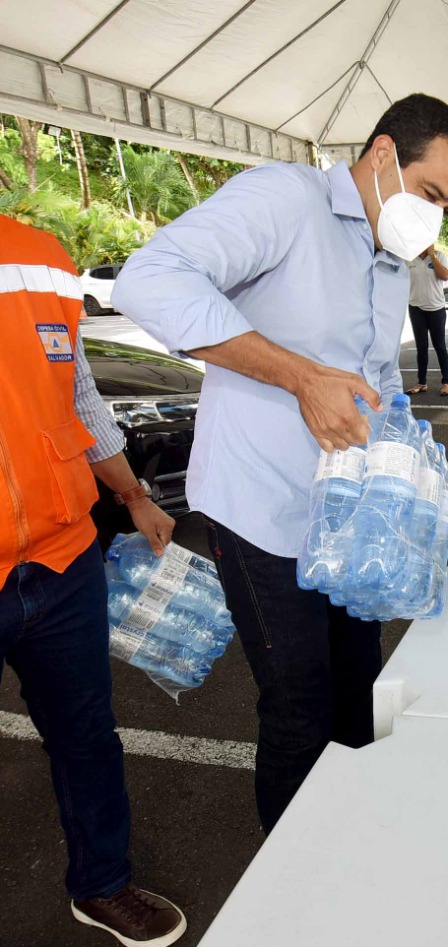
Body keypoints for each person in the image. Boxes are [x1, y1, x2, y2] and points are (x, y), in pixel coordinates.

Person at [114, 93, 448, 834]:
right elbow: (149, 280)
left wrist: (411, 468)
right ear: (382, 154)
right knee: (299, 703)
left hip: (343, 513)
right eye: (431, 193)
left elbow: (368, 379)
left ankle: (346, 846)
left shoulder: (386, 254)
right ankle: (289, 884)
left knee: (358, 688)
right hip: (261, 507)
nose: (433, 218)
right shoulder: (287, 198)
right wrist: (296, 375)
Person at [1, 214, 186, 944]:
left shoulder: (42, 258)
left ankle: (102, 883)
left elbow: (77, 396)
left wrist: (135, 495)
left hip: (61, 557)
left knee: (86, 737)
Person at [405, 244, 448, 396]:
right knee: (421, 347)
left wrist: (433, 256)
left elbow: (445, 276)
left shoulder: (439, 255)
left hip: (436, 309)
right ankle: (421, 382)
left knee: (440, 346)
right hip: (415, 307)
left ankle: (446, 382)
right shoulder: (409, 257)